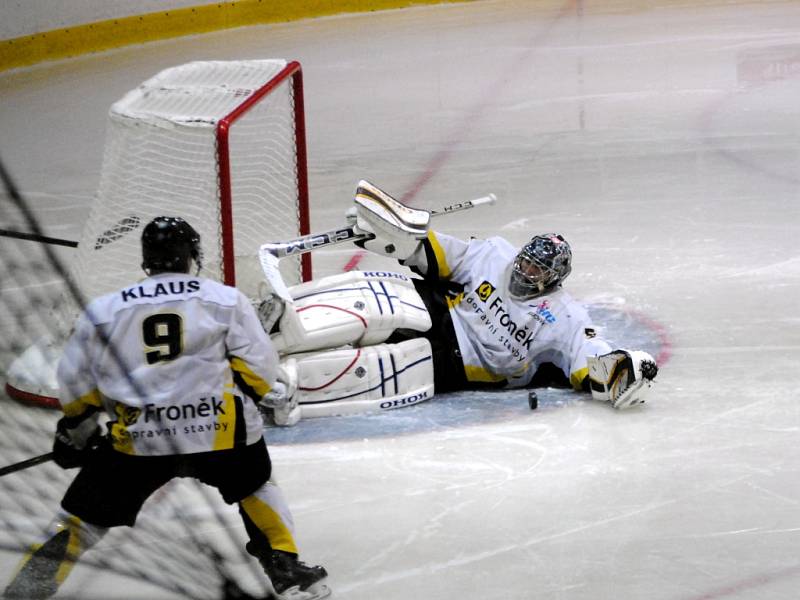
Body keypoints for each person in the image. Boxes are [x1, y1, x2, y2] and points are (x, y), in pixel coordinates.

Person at [4, 217, 329, 600]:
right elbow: (261, 368)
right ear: (190, 256)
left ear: (147, 260)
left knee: (83, 520)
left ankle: (28, 588)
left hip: (140, 440)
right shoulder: (224, 299)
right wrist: (242, 397)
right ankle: (285, 568)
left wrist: (79, 420)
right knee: (255, 486)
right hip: (220, 432)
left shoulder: (105, 310)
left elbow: (76, 382)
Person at [256, 182, 658, 425]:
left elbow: (591, 359)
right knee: (372, 298)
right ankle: (275, 328)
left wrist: (623, 369)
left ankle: (286, 385)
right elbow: (445, 255)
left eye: (537, 271)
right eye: (525, 262)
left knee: (390, 363)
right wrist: (396, 239)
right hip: (440, 307)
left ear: (552, 280)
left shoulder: (565, 319)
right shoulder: (497, 255)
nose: (524, 272)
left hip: (456, 361)